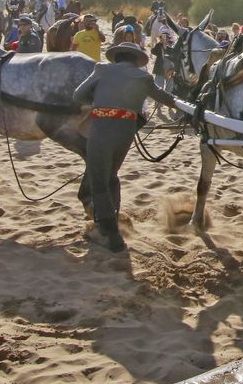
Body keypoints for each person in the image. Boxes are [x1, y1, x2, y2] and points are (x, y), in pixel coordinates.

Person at [73, 43, 178, 253]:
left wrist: (97, 99)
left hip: (102, 128)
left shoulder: (102, 69)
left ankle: (110, 233)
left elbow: (78, 95)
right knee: (112, 173)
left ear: (117, 57)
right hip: (126, 132)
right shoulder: (144, 78)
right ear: (136, 61)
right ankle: (114, 214)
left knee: (98, 180)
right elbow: (166, 99)